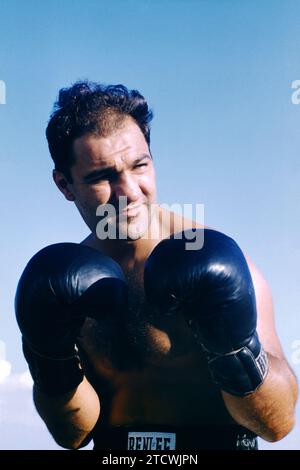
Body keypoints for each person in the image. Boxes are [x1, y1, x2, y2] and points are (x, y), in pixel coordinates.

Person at [15, 81, 298, 451]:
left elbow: (277, 424)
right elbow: (73, 435)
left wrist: (236, 351)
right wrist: (49, 361)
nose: (129, 191)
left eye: (139, 166)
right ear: (64, 185)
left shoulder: (217, 258)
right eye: (102, 176)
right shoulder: (62, 284)